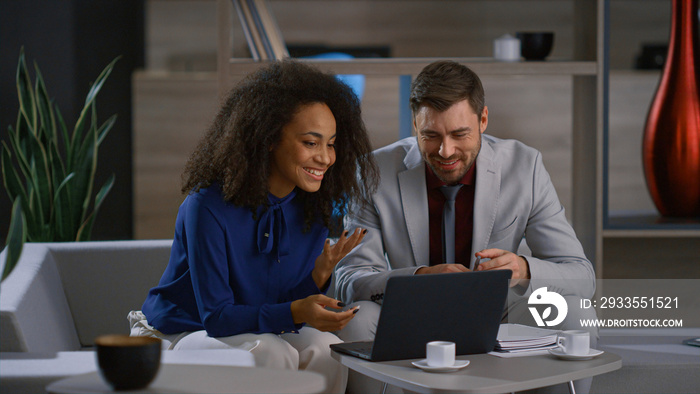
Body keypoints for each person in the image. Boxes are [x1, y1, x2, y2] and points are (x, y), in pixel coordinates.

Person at [334, 60, 598, 394]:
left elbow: (581, 276)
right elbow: (347, 281)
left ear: (483, 119)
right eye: (430, 135)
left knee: (574, 311)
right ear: (415, 124)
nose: (446, 151)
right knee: (356, 317)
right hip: (410, 319)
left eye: (460, 134)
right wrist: (417, 280)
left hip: (501, 320)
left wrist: (524, 269)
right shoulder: (372, 172)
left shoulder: (525, 167)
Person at [130, 60, 378, 394]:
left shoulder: (313, 209)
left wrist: (318, 275)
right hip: (178, 333)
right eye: (311, 142)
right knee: (269, 354)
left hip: (252, 330)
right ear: (269, 138)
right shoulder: (206, 207)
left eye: (331, 143)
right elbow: (217, 317)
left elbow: (271, 305)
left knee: (326, 349)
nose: (325, 158)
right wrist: (293, 311)